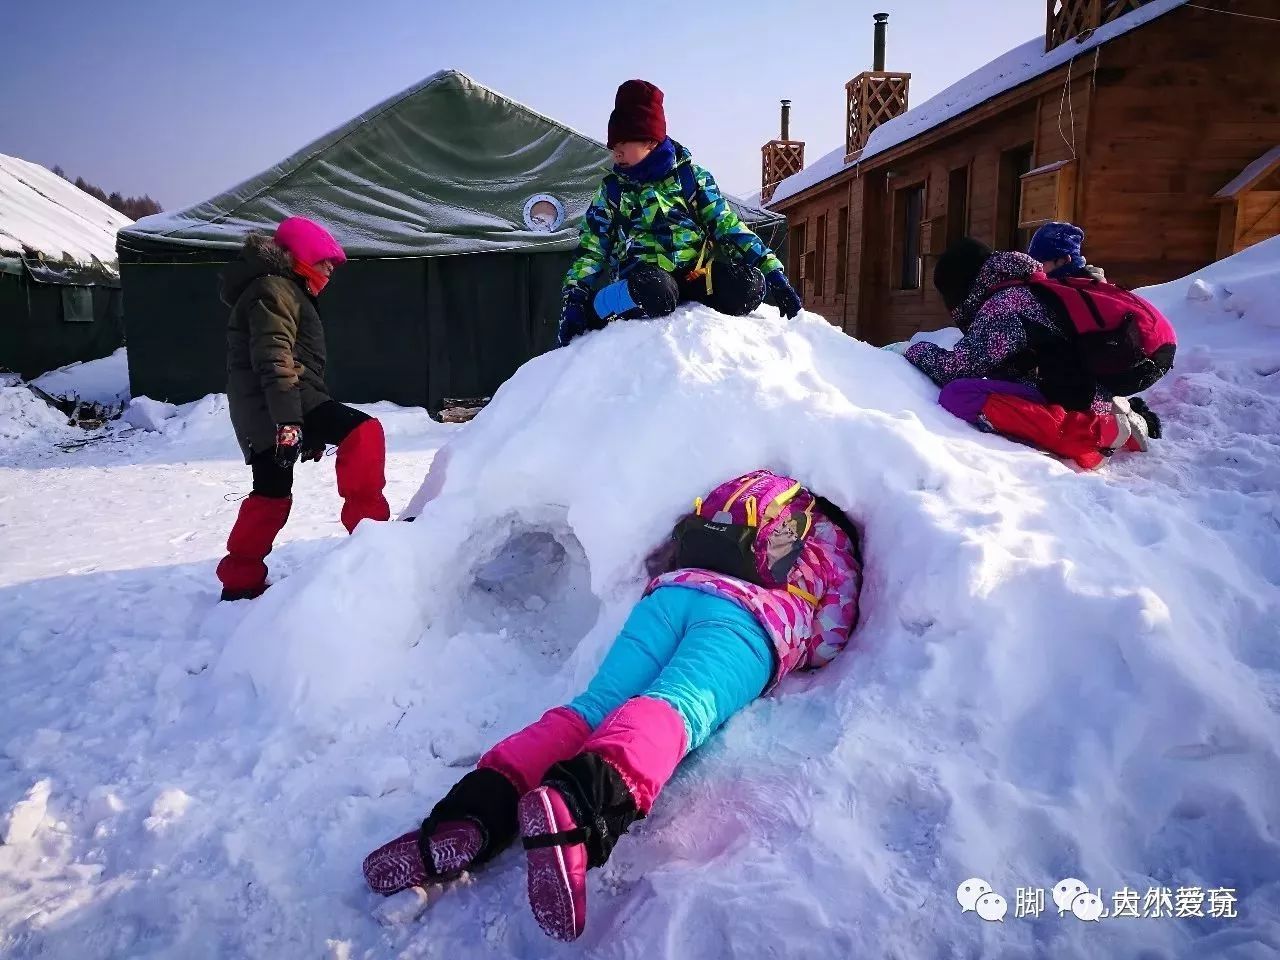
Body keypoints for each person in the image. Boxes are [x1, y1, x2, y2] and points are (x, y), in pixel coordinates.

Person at [363, 472, 861, 942]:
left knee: (593, 706)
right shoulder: (828, 541)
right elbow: (828, 639)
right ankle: (578, 805)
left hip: (669, 596)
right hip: (749, 622)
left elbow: (666, 547)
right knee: (676, 704)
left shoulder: (740, 492)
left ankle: (470, 812)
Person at [216, 216, 391, 601]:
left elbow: (299, 365)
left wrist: (304, 426)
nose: (331, 270)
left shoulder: (284, 290)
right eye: (326, 261)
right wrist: (291, 421)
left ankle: (240, 580)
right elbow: (273, 357)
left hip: (271, 407)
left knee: (271, 492)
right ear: (304, 255)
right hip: (276, 404)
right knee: (364, 431)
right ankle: (373, 539)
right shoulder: (274, 290)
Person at [558, 80, 803, 347]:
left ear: (650, 140)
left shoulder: (691, 179)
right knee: (657, 291)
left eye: (624, 142)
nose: (615, 151)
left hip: (694, 278)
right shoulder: (614, 191)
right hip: (644, 281)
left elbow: (727, 226)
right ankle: (600, 306)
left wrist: (773, 274)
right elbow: (592, 247)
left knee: (748, 286)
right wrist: (576, 298)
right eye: (613, 143)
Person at [902, 238, 1160, 470]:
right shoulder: (1025, 288)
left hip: (1074, 396)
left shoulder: (1004, 304)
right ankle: (1110, 419)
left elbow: (957, 369)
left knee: (959, 394)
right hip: (1083, 389)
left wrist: (912, 349)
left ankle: (1093, 434)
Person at [1028, 221, 1106, 281]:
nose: (1034, 268)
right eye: (1032, 262)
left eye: (1041, 262)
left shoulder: (1063, 291)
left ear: (1065, 260)